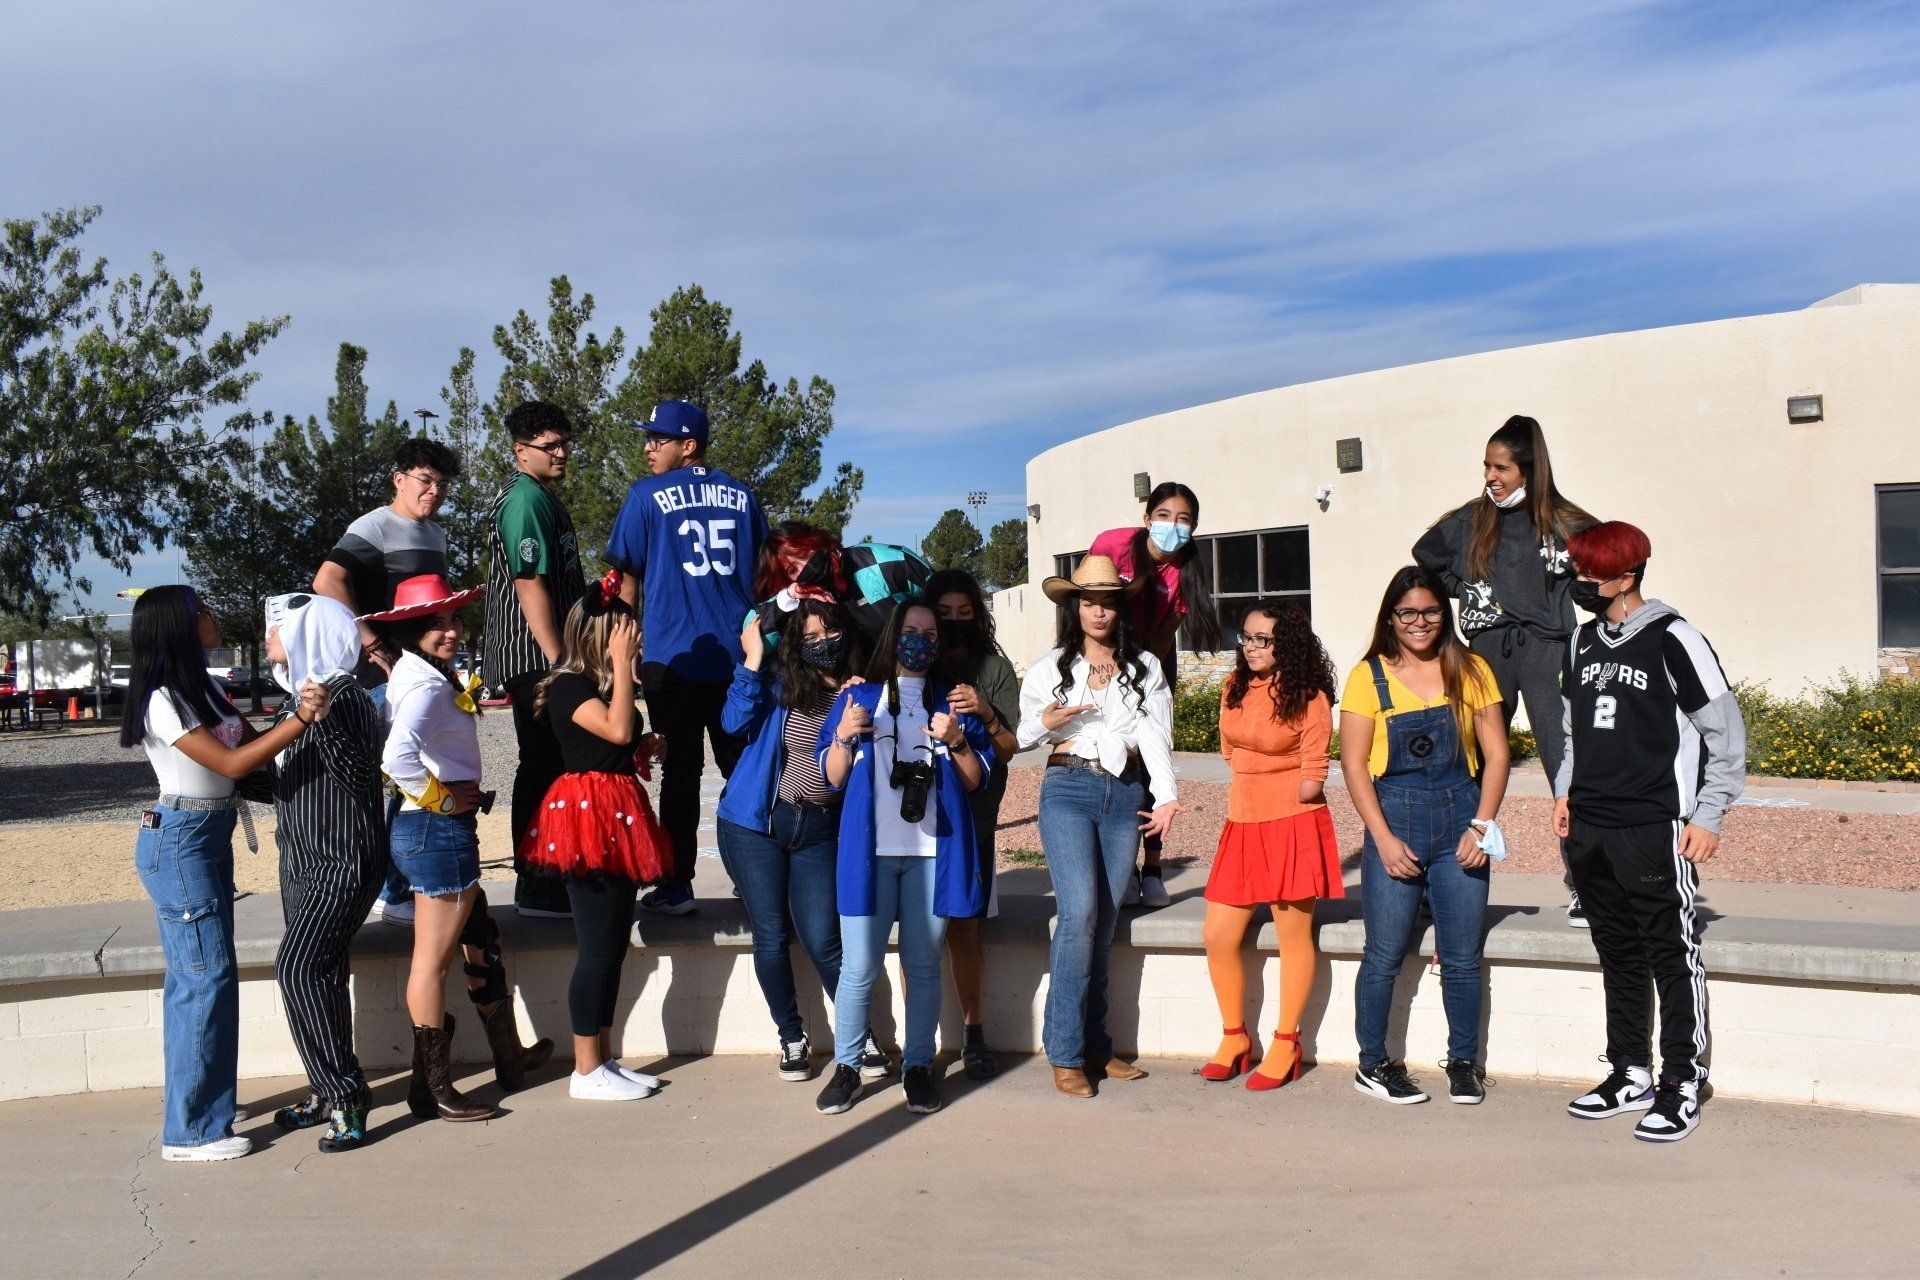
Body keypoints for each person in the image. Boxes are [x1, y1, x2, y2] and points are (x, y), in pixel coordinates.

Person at [119, 586, 329, 1162]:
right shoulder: (162, 699)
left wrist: (298, 708)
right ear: (179, 626)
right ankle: (191, 1133)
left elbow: (255, 748)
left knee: (207, 977)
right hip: (180, 840)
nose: (213, 617)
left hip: (208, 834)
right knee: (202, 979)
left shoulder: (202, 688)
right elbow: (233, 763)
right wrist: (301, 718)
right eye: (203, 611)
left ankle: (208, 1106)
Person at [1553, 522, 1745, 1144]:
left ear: (1626, 577)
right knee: (1616, 950)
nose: (1579, 582)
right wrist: (1564, 792)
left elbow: (1725, 736)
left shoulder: (1674, 638)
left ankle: (1681, 1081)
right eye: (1577, 570)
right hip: (1590, 826)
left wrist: (1708, 815)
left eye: (1590, 573)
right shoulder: (1580, 642)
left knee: (1671, 952)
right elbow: (1573, 729)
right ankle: (1629, 1070)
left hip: (1653, 824)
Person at [369, 574, 554, 1122]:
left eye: (453, 620)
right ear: (411, 630)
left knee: (482, 940)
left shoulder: (418, 673)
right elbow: (396, 758)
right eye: (437, 624)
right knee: (431, 963)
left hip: (437, 830)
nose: (451, 631)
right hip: (437, 830)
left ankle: (509, 1059)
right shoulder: (425, 685)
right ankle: (432, 1090)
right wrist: (445, 800)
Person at [812, 600, 994, 1117]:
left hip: (930, 855)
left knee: (923, 965)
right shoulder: (858, 697)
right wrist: (844, 735)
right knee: (859, 968)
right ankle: (847, 1067)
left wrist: (958, 742)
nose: (920, 641)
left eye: (930, 633)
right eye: (911, 631)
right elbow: (833, 776)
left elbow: (975, 779)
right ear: (893, 637)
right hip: (869, 855)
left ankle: (917, 1067)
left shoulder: (953, 702)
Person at [1413, 415, 1595, 926]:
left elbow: (1599, 574)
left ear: (1528, 470)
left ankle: (1586, 884)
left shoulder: (1568, 523)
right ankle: (1445, 880)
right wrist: (1467, 589)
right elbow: (1426, 558)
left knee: (1567, 765)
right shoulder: (1471, 520)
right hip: (1487, 653)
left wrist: (1574, 591)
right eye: (1487, 467)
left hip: (1547, 652)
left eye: (1501, 468)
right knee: (1466, 760)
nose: (1491, 476)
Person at [1340, 566, 1509, 1106]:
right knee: (1383, 954)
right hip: (1396, 822)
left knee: (1461, 957)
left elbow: (1497, 754)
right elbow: (1353, 765)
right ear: (1391, 617)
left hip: (1462, 821)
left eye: (1431, 610)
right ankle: (1372, 1064)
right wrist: (1383, 840)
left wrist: (1482, 825)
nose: (1420, 621)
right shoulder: (1367, 676)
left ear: (1445, 612)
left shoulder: (1472, 669)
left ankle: (1463, 1063)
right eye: (1408, 612)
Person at [1016, 556, 1181, 1099]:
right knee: (1079, 913)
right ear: (1075, 608)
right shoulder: (1048, 668)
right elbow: (1020, 737)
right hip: (1068, 786)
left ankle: (1095, 1045)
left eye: (1108, 601)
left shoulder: (1145, 666)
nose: (1098, 611)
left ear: (1119, 608)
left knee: (1105, 921)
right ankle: (1065, 1052)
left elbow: (1156, 735)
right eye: (1089, 601)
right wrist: (1046, 722)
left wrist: (1166, 795)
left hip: (1124, 792)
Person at [718, 586, 888, 1082]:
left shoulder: (865, 690)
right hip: (755, 823)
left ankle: (857, 1035)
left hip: (819, 829)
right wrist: (752, 659)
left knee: (824, 940)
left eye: (830, 631)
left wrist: (864, 701)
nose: (822, 642)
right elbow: (732, 722)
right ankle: (792, 1038)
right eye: (810, 636)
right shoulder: (778, 682)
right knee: (771, 936)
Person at [607, 400, 769, 915]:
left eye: (658, 439)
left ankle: (676, 885)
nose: (648, 447)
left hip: (671, 657)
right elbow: (765, 575)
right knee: (742, 771)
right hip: (739, 656)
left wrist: (624, 645)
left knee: (681, 773)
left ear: (688, 445)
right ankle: (756, 880)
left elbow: (626, 580)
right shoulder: (743, 496)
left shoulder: (645, 495)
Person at [517, 571, 674, 1102]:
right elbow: (616, 729)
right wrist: (625, 672)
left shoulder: (599, 686)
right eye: (627, 634)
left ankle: (603, 1059)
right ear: (602, 637)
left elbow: (617, 742)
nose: (636, 641)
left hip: (616, 812)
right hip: (589, 819)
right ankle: (585, 1070)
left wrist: (643, 746)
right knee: (597, 950)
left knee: (612, 947)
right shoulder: (568, 685)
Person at [312, 435, 464, 927]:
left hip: (419, 671)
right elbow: (326, 581)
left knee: (415, 774)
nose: (434, 492)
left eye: (442, 484)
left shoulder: (435, 534)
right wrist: (373, 645)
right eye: (425, 480)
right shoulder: (373, 525)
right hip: (381, 674)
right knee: (391, 779)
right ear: (399, 479)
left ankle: (401, 885)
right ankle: (387, 890)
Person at [1200, 602, 1343, 1091]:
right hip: (1241, 823)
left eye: (1263, 639)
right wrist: (1257, 778)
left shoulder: (1309, 694)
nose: (1251, 647)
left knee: (1292, 937)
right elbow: (1228, 750)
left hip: (1293, 823)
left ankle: (1286, 1042)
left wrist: (1272, 782)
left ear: (1288, 643)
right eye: (1246, 636)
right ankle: (1235, 1037)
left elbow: (1313, 772)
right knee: (1218, 935)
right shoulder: (1234, 686)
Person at [262, 593, 386, 1153]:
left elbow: (362, 778)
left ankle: (346, 1096)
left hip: (343, 859)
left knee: (296, 968)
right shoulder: (296, 699)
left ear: (305, 634)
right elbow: (284, 783)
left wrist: (325, 720)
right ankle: (324, 1090)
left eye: (276, 627)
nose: (268, 637)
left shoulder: (346, 697)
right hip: (301, 860)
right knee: (325, 975)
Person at [1088, 481, 1222, 908]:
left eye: (1184, 520)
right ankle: (1124, 868)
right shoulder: (1113, 545)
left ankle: (1153, 869)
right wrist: (1105, 669)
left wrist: (1142, 680)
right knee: (1115, 759)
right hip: (1106, 658)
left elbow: (1166, 633)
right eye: (1164, 516)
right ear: (1147, 518)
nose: (1172, 526)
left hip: (1152, 662)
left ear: (1194, 526)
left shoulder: (1187, 569)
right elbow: (1089, 601)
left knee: (1151, 761)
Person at [484, 400, 587, 919]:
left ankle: (553, 876)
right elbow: (528, 584)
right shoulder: (524, 499)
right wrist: (560, 662)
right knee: (544, 764)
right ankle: (538, 885)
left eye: (565, 443)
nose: (561, 452)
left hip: (549, 657)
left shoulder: (542, 496)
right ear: (521, 451)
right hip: (534, 659)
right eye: (550, 445)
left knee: (554, 764)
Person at [927, 567, 1021, 1079]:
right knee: (921, 935)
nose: (954, 621)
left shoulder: (994, 668)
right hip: (919, 822)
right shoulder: (916, 660)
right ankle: (919, 1042)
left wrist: (984, 711)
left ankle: (974, 1033)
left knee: (966, 931)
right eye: (944, 613)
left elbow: (1007, 749)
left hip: (974, 818)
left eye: (964, 612)